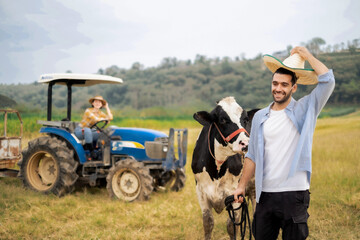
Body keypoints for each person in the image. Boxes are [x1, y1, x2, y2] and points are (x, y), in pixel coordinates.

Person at [233, 46, 335, 239]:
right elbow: (252, 155)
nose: (278, 88)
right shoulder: (260, 117)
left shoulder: (306, 109)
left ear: (293, 87)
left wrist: (306, 56)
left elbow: (328, 81)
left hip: (295, 194)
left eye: (284, 85)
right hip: (265, 196)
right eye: (275, 83)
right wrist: (241, 186)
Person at [75, 96, 113, 160]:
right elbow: (96, 119)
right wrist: (105, 119)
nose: (97, 103)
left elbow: (110, 118)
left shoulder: (100, 113)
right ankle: (92, 152)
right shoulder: (88, 110)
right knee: (87, 130)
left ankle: (101, 153)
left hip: (90, 131)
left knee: (102, 134)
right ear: (92, 103)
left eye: (99, 102)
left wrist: (107, 107)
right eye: (96, 102)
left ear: (101, 105)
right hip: (80, 131)